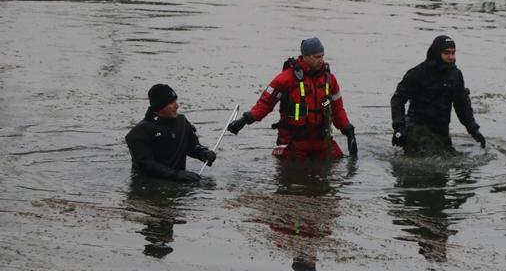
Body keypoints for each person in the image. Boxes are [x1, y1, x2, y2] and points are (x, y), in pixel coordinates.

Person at [227, 37, 357, 160]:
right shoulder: (286, 79)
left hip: (321, 140)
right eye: (316, 57)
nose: (321, 60)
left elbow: (337, 109)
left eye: (322, 56)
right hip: (294, 142)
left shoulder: (329, 79)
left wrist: (348, 130)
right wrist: (244, 120)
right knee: (293, 175)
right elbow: (265, 103)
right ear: (305, 57)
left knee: (339, 162)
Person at [390, 35, 486, 155]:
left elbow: (462, 104)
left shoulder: (455, 75)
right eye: (446, 53)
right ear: (436, 52)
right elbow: (398, 100)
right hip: (417, 128)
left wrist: (474, 130)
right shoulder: (417, 73)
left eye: (453, 53)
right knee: (430, 161)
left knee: (451, 160)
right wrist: (399, 128)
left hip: (441, 130)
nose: (451, 57)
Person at [125, 83, 216, 183]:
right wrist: (175, 174)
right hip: (150, 188)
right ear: (159, 107)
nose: (177, 106)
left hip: (179, 182)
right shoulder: (139, 133)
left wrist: (203, 152)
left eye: (176, 101)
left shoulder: (182, 122)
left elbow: (192, 146)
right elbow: (147, 164)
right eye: (171, 103)